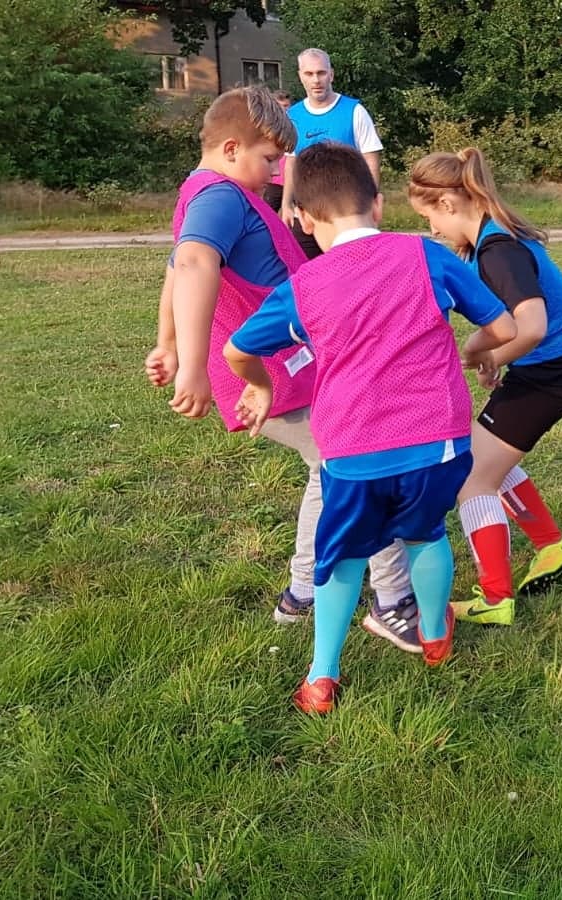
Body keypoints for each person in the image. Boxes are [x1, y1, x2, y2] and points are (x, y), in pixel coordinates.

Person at [224, 142, 518, 713]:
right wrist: (475, 350)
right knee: (426, 533)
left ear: (303, 218)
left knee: (342, 558)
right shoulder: (427, 255)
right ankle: (434, 636)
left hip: (352, 451)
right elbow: (504, 327)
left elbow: (238, 349)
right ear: (378, 204)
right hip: (438, 443)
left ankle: (322, 677)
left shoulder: (303, 286)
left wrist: (261, 387)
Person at [143, 87, 419, 649]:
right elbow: (192, 263)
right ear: (230, 148)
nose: (276, 173)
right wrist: (190, 364)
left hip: (290, 367)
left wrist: (167, 341)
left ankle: (303, 592)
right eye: (269, 159)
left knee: (327, 466)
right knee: (366, 462)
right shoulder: (219, 197)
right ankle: (393, 601)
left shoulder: (207, 193)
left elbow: (176, 265)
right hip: (269, 374)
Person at [407, 148, 562, 626]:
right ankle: (552, 546)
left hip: (555, 373)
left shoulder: (499, 251)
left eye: (429, 217)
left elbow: (531, 326)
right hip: (553, 368)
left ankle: (496, 599)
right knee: (486, 453)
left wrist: (491, 354)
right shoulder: (491, 239)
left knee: (472, 478)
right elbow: (508, 323)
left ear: (448, 203)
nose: (432, 229)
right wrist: (491, 353)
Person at [280, 49, 384, 259]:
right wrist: (286, 204)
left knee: (351, 269)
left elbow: (371, 161)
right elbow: (291, 163)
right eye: (309, 74)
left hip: (347, 214)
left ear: (331, 75)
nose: (316, 80)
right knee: (304, 269)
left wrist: (369, 203)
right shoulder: (293, 117)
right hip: (307, 213)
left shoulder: (354, 111)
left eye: (321, 73)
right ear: (300, 76)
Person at [259, 90, 293, 215]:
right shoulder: (265, 127)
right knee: (266, 215)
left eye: (286, 106)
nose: (283, 110)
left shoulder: (299, 125)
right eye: (279, 106)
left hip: (294, 180)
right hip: (274, 180)